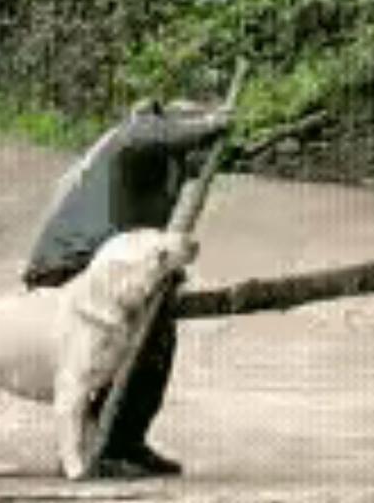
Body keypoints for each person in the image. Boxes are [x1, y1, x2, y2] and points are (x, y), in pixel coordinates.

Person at [22, 96, 229, 478]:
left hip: (108, 264)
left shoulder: (167, 167)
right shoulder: (134, 141)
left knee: (154, 341)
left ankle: (123, 440)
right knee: (129, 347)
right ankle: (100, 444)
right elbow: (144, 134)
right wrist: (210, 124)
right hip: (78, 264)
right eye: (187, 135)